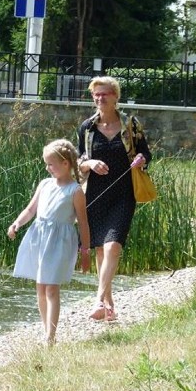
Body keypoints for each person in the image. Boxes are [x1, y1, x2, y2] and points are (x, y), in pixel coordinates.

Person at [77, 76, 152, 322]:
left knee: (112, 245)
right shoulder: (87, 128)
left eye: (105, 94)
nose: (100, 98)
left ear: (115, 96)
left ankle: (98, 300)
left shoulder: (131, 124)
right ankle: (109, 305)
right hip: (95, 193)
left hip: (124, 193)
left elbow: (145, 153)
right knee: (100, 249)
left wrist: (140, 160)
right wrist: (89, 162)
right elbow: (79, 159)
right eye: (96, 95)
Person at [7, 139, 91, 345]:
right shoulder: (44, 184)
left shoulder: (75, 191)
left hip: (60, 243)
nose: (48, 168)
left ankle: (50, 337)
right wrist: (17, 224)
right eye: (46, 164)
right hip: (39, 239)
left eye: (51, 164)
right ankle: (46, 329)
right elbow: (30, 210)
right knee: (41, 288)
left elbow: (83, 223)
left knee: (52, 288)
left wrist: (86, 251)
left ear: (66, 164)